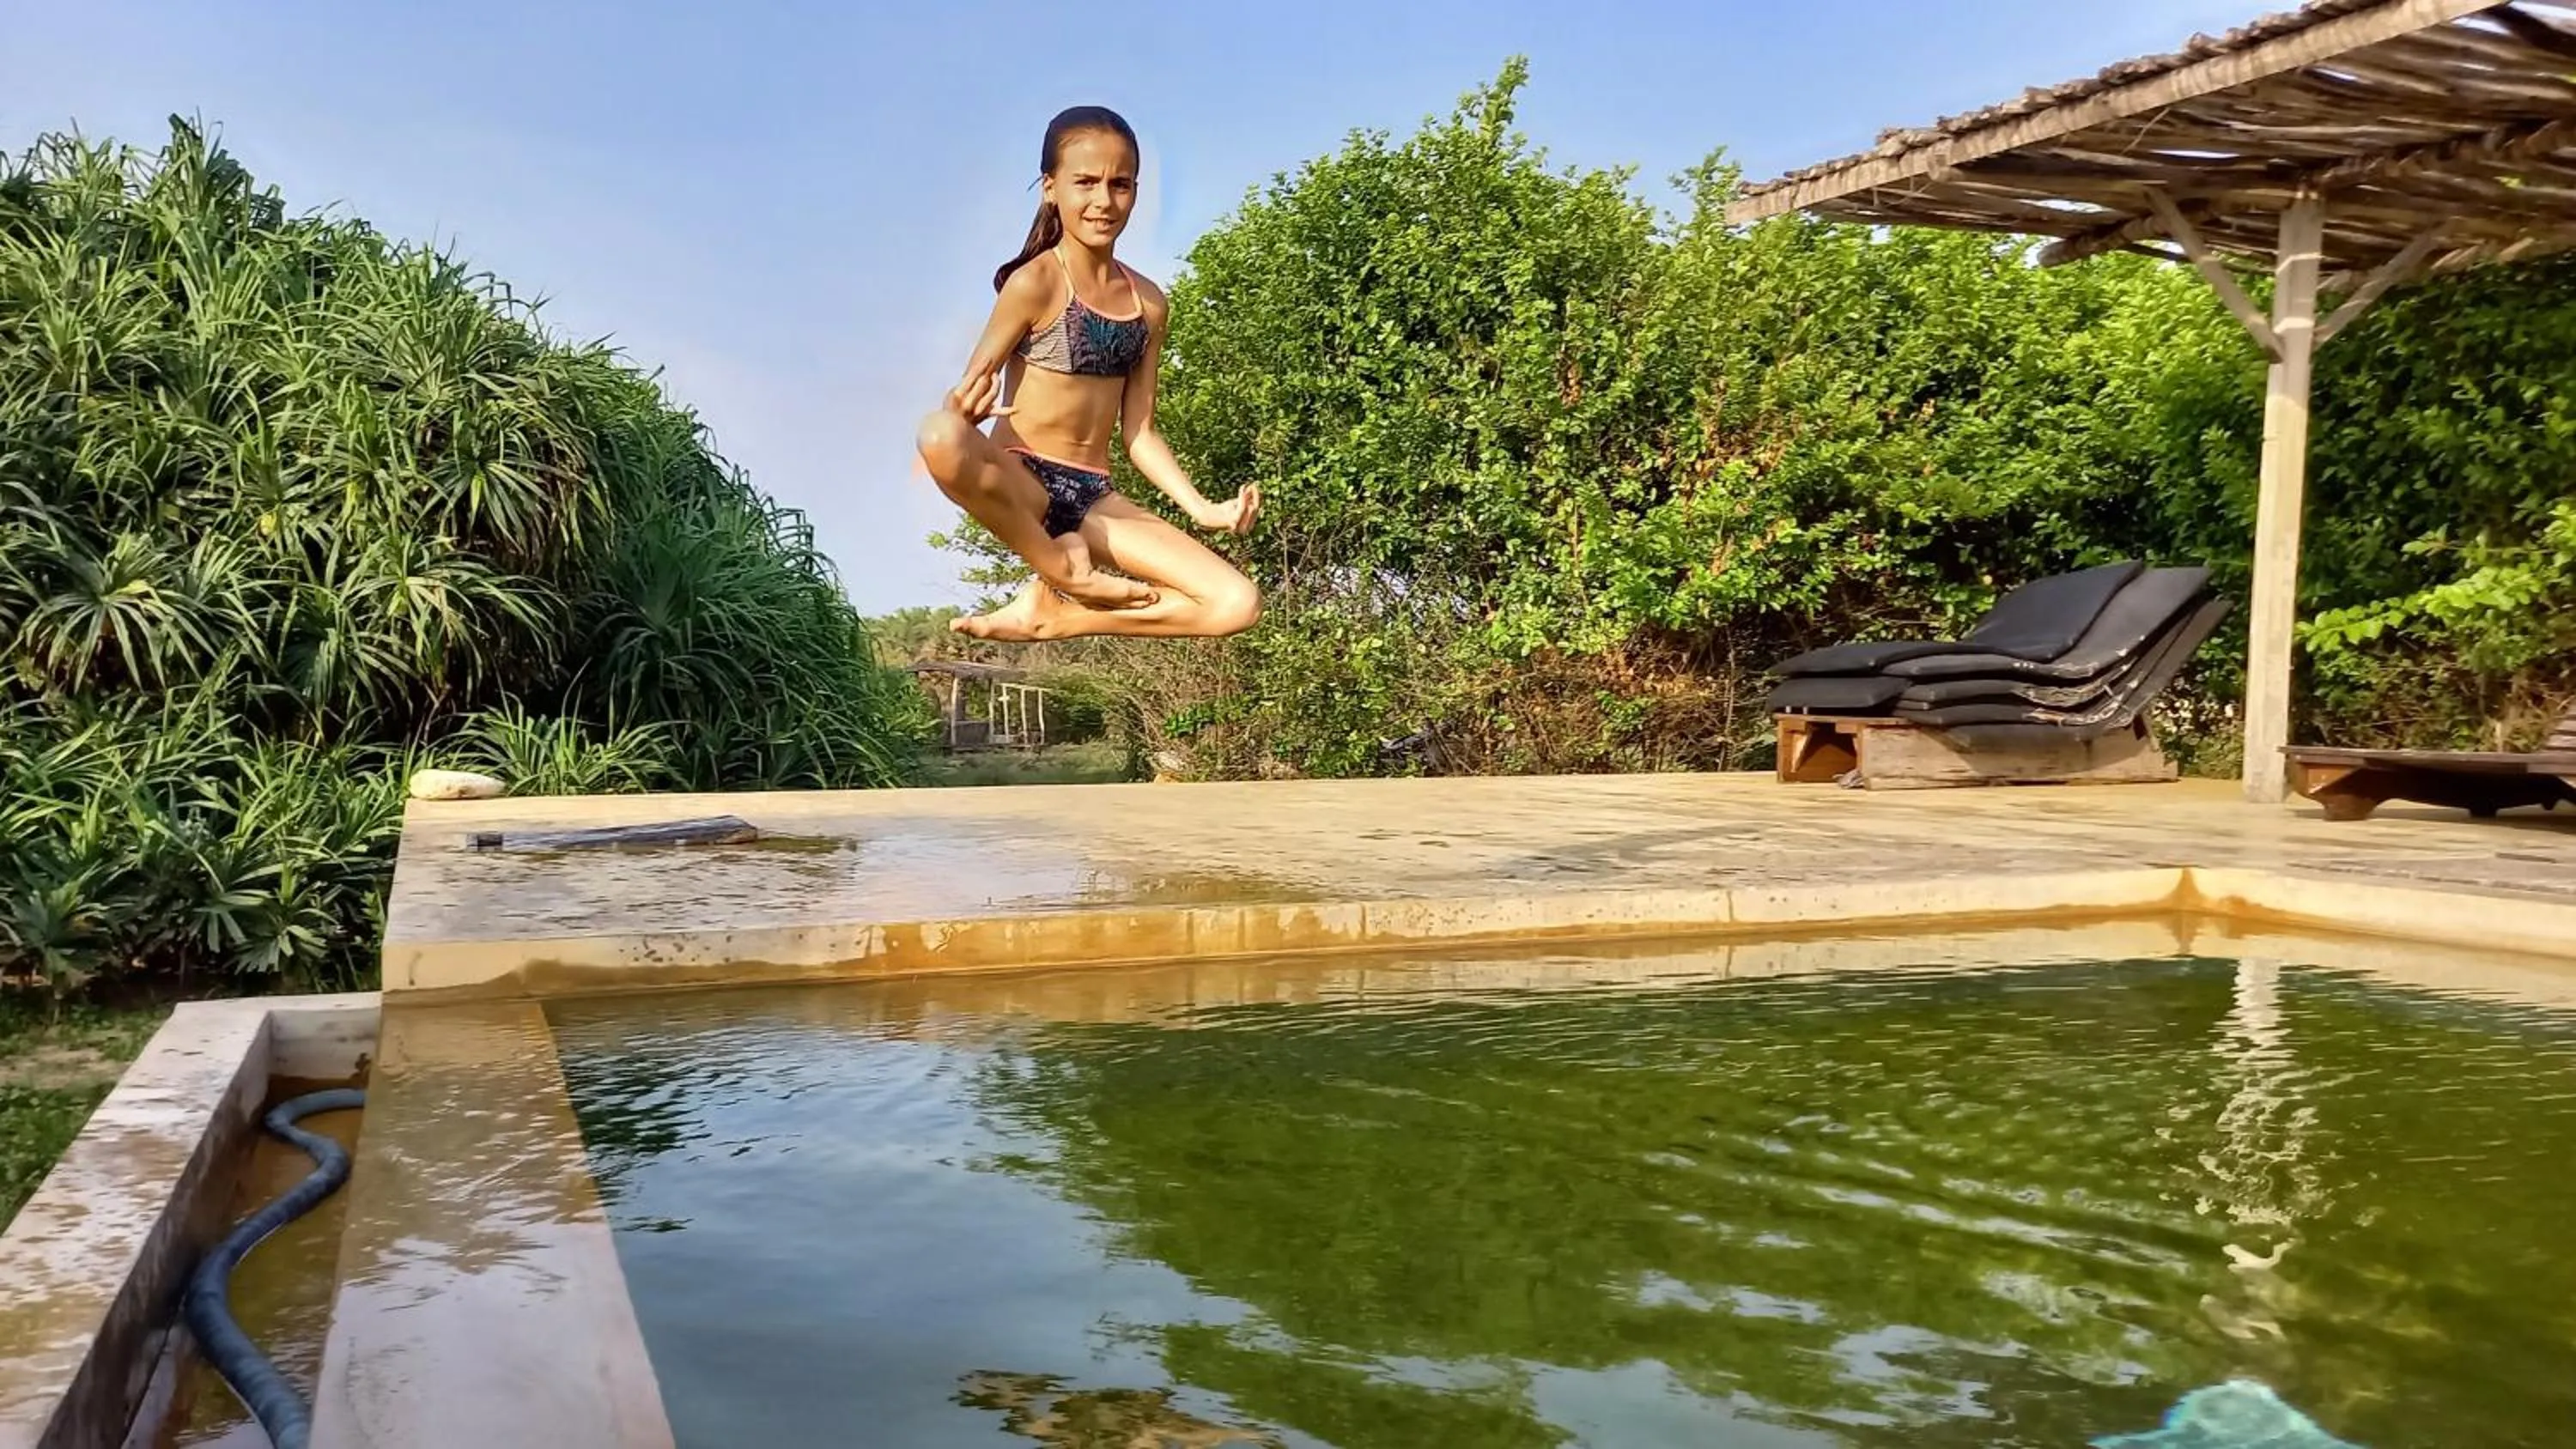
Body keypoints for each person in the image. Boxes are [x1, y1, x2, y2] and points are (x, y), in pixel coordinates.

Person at [915, 105, 1263, 642]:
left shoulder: (1149, 304)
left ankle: (1059, 614)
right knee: (937, 434)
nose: (1104, 201)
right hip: (1024, 477)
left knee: (1236, 604)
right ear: (1051, 188)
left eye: (1120, 185)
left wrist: (1202, 509)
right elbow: (963, 398)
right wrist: (963, 410)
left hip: (1094, 498)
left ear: (1136, 191)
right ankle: (1056, 567)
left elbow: (1140, 432)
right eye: (1086, 182)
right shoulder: (1034, 284)